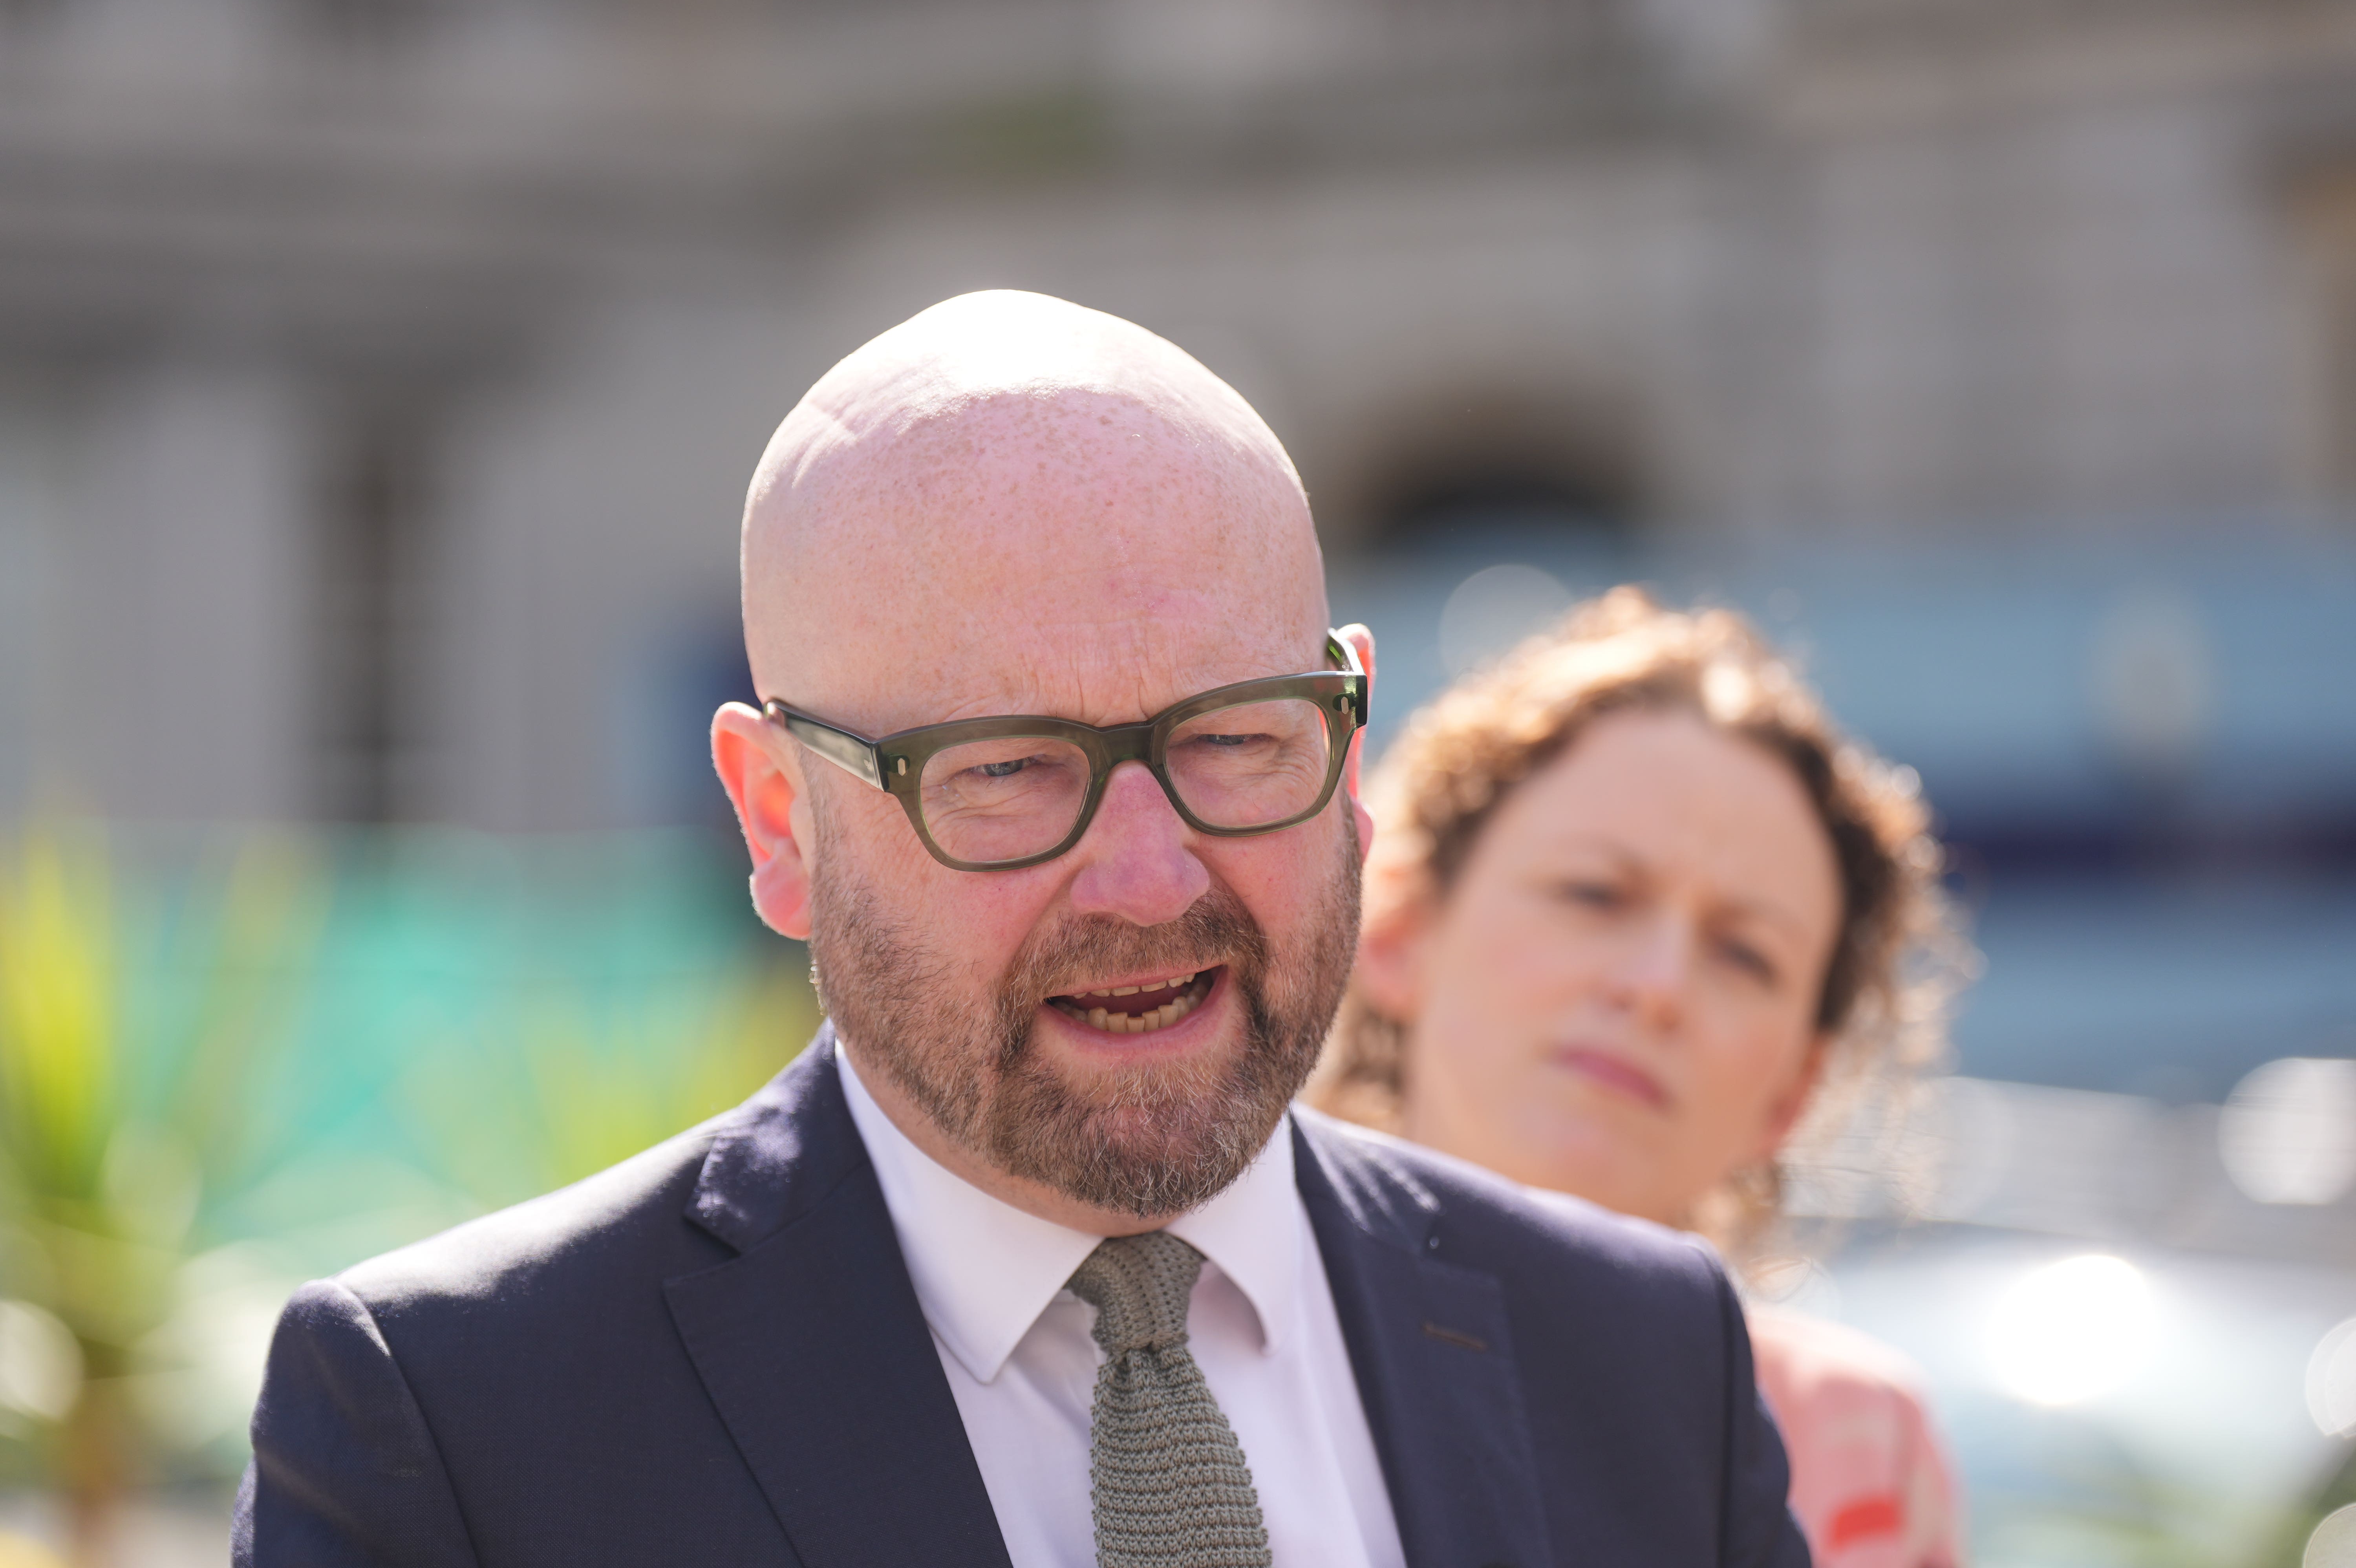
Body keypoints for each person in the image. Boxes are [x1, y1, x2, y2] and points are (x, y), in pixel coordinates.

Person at [235, 294, 1809, 1567]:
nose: (1147, 876)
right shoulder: (461, 1433)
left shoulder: (1646, 1368)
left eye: (1236, 739)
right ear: (779, 820)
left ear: (1348, 735)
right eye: (1004, 771)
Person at [1310, 588, 1968, 1568]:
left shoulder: (1855, 1446)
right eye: (1595, 893)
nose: (1659, 986)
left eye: (1745, 955)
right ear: (1399, 925)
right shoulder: (1187, 1344)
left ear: (1792, 1091)